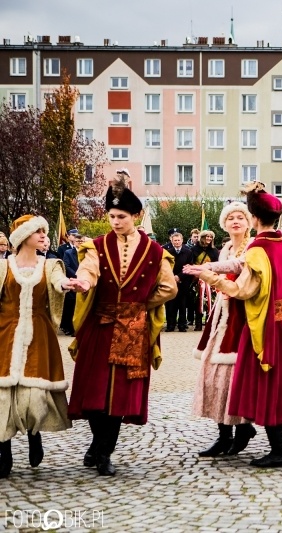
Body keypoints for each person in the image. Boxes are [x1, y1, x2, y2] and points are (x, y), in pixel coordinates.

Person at [197, 183, 282, 468]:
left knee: (264, 385)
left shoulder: (258, 249)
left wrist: (210, 277)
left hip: (263, 327)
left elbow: (243, 290)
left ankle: (280, 449)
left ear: (254, 219)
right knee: (281, 384)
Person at [68, 171, 178, 476]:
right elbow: (89, 272)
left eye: (121, 216)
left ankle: (104, 452)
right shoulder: (96, 246)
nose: (115, 222)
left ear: (136, 216)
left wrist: (141, 305)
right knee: (93, 392)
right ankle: (96, 442)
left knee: (118, 395)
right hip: (100, 325)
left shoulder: (156, 252)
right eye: (112, 216)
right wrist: (83, 283)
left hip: (132, 328)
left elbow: (169, 288)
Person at [0, 215, 80, 478]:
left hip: (39, 334)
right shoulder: (3, 267)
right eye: (39, 232)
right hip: (5, 334)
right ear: (24, 237)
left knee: (34, 394)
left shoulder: (50, 265)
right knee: (4, 396)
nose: (45, 236)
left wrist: (68, 284)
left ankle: (34, 436)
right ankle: (5, 451)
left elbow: (59, 281)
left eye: (46, 232)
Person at [184, 202, 257, 457]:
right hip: (223, 311)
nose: (235, 221)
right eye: (230, 218)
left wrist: (209, 268)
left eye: (240, 217)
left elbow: (238, 267)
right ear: (224, 224)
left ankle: (242, 427)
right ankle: (224, 434)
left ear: (248, 223)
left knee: (236, 374)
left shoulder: (253, 247)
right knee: (215, 373)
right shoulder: (225, 247)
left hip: (244, 313)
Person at [189, 230, 220, 331]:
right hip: (197, 279)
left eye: (211, 237)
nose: (209, 239)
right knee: (198, 301)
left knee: (210, 301)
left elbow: (217, 265)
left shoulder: (214, 251)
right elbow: (191, 262)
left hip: (210, 279)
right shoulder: (193, 250)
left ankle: (209, 323)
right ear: (202, 237)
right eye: (207, 237)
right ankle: (198, 323)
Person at [164, 231, 194, 332]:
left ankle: (182, 325)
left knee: (182, 304)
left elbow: (189, 266)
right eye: (175, 240)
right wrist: (172, 277)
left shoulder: (188, 252)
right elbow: (165, 266)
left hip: (183, 281)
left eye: (178, 240)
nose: (177, 242)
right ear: (171, 241)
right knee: (170, 305)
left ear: (182, 241)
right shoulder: (167, 252)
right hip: (170, 281)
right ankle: (170, 325)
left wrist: (179, 277)